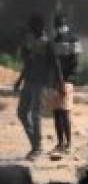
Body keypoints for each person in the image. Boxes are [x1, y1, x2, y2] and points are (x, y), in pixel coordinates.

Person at [14, 14, 64, 160]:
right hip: (28, 82)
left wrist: (60, 84)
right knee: (22, 113)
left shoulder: (48, 44)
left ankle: (38, 147)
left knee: (35, 114)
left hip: (41, 83)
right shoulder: (31, 43)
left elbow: (56, 64)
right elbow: (27, 64)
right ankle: (35, 145)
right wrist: (19, 80)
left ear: (38, 27)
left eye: (32, 28)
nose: (30, 30)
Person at [51, 13, 82, 153]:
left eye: (61, 25)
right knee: (57, 113)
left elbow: (75, 62)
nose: (59, 28)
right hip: (55, 82)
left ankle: (68, 144)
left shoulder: (74, 39)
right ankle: (60, 143)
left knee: (64, 112)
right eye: (58, 26)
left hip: (67, 81)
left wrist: (64, 80)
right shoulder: (54, 40)